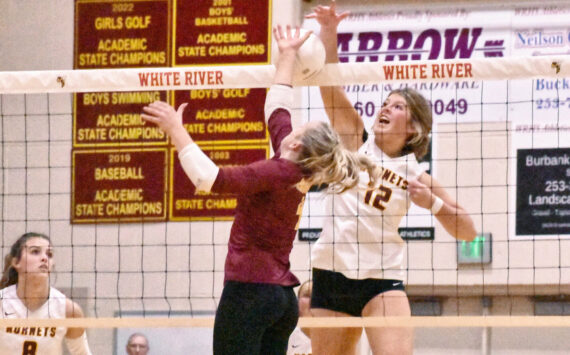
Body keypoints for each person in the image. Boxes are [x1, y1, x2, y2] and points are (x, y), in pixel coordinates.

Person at [141, 25, 377, 355]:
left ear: (295, 142)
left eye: (298, 128)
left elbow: (209, 180)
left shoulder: (277, 171)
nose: (291, 127)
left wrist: (176, 130)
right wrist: (288, 54)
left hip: (249, 294)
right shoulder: (295, 163)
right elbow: (277, 108)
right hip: (280, 301)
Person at [305, 2, 478, 355]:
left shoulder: (417, 175)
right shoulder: (355, 141)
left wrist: (433, 203)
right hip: (331, 273)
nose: (385, 108)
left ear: (413, 127)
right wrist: (329, 33)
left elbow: (468, 231)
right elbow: (330, 83)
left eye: (397, 106)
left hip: (381, 279)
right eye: (386, 103)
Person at [0, 232, 92, 355]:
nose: (44, 258)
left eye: (49, 254)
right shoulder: (2, 302)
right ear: (16, 262)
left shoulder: (69, 310)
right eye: (35, 252)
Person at [287, 280, 313, 355]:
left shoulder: (337, 338)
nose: (313, 300)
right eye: (307, 295)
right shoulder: (286, 335)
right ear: (297, 302)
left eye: (318, 296)